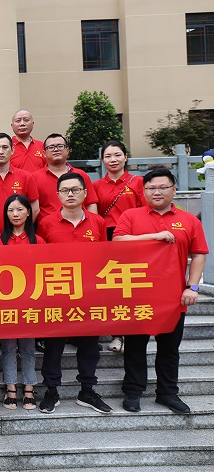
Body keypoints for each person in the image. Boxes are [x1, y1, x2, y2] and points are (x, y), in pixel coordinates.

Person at [114, 168, 207, 414]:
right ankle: (133, 391)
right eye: (151, 188)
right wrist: (155, 236)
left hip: (173, 297)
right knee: (135, 346)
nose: (157, 192)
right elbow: (118, 242)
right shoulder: (131, 215)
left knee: (169, 348)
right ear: (143, 191)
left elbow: (198, 254)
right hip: (138, 294)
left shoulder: (189, 220)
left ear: (174, 190)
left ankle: (167, 393)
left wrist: (192, 286)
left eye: (163, 187)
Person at [37, 172, 111, 415]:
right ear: (57, 195)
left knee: (89, 345)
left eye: (75, 190)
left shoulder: (97, 222)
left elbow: (104, 257)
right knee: (53, 345)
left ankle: (87, 390)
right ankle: (51, 391)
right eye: (65, 190)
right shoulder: (46, 223)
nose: (70, 194)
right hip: (57, 292)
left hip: (90, 293)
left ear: (85, 193)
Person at [94, 140, 145, 354]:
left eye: (117, 155)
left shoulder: (138, 182)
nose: (113, 160)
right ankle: (117, 333)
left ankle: (132, 331)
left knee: (130, 286)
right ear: (102, 160)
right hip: (107, 239)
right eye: (108, 156)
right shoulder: (96, 186)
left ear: (125, 157)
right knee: (111, 286)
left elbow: (146, 211)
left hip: (132, 238)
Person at [0, 194, 42, 410]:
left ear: (28, 212)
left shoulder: (38, 240)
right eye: (11, 210)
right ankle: (10, 388)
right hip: (5, 300)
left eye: (20, 209)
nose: (15, 214)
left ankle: (29, 387)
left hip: (30, 300)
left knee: (28, 346)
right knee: (7, 346)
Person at [0, 133, 40, 234]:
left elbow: (35, 209)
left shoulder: (25, 177)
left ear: (12, 150)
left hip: (19, 238)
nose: (1, 152)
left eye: (5, 147)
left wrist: (22, 231)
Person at [31, 133, 99, 223]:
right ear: (44, 153)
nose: (56, 149)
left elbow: (91, 203)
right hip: (48, 228)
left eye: (60, 146)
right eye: (51, 147)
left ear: (67, 150)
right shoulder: (34, 178)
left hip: (80, 226)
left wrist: (92, 225)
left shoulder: (81, 175)